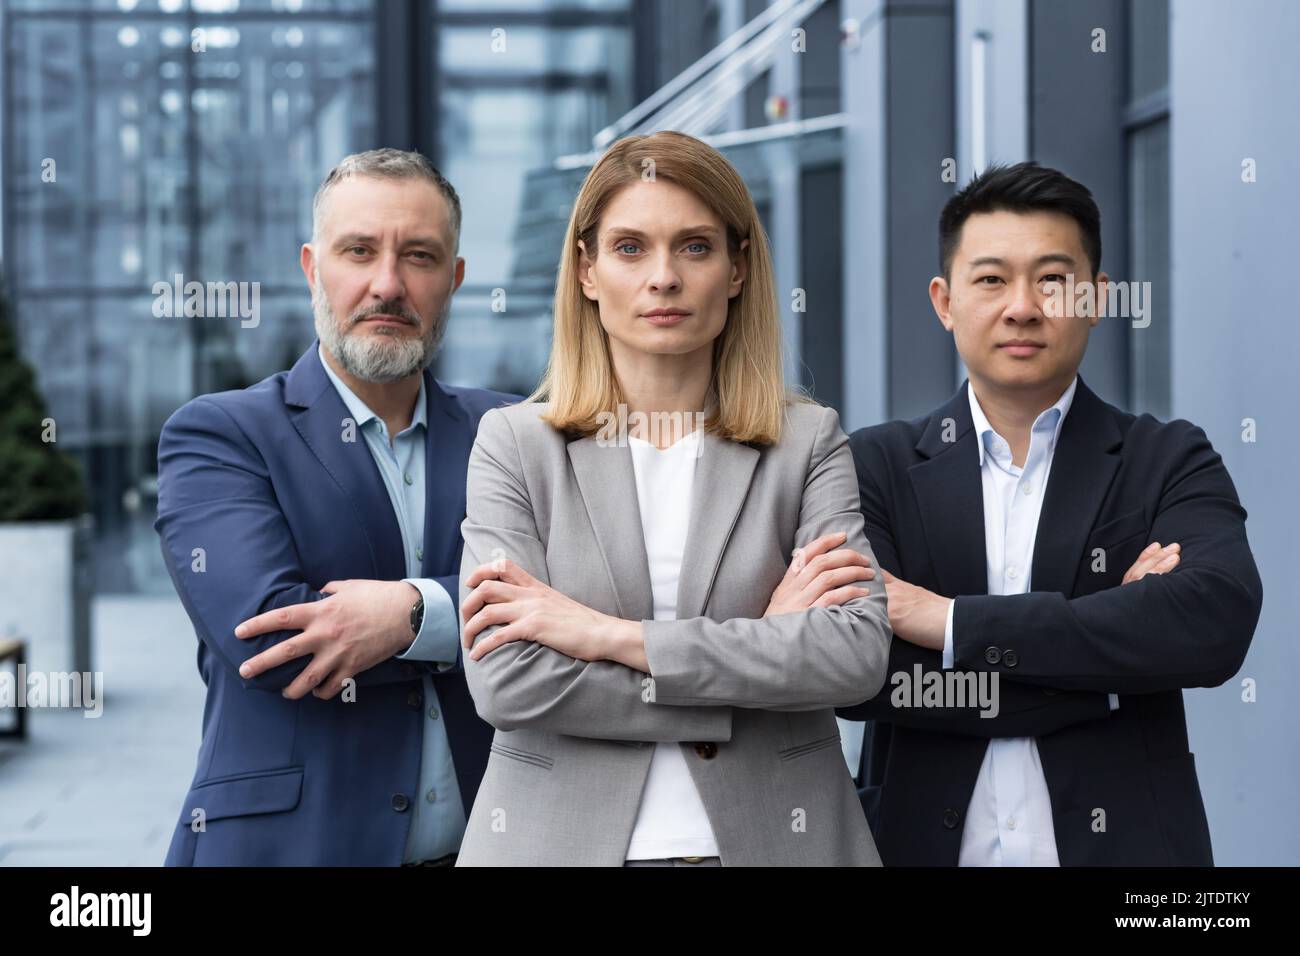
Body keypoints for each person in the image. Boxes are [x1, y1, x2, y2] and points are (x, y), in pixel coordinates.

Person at [453, 130, 891, 866]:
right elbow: (507, 681)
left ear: (737, 269)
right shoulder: (514, 444)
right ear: (587, 269)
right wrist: (754, 658)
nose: (663, 277)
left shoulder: (806, 441)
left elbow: (852, 656)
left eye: (694, 246)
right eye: (630, 248)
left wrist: (606, 636)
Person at [838, 161, 1263, 866]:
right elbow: (856, 674)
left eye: (1053, 279)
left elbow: (1214, 622)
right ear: (945, 301)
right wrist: (1112, 669)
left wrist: (945, 623)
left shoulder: (1165, 458)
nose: (1023, 306)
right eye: (991, 279)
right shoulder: (873, 466)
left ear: (1097, 297)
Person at [156, 149, 515, 866]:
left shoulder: (511, 433)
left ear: (455, 279)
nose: (388, 284)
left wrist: (406, 615)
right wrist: (463, 617)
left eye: (419, 256)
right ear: (313, 267)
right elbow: (271, 640)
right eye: (359, 251)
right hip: (292, 848)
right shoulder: (221, 433)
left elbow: (577, 600)